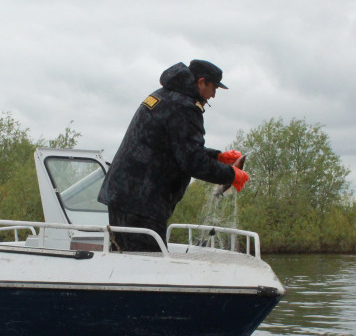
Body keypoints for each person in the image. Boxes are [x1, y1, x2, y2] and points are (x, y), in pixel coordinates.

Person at [98, 59, 250, 252]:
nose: (213, 96)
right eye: (213, 89)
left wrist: (217, 157)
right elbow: (192, 161)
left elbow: (175, 148)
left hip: (123, 196)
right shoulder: (185, 107)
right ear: (201, 82)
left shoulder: (163, 95)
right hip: (142, 204)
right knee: (147, 271)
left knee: (127, 261)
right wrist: (231, 174)